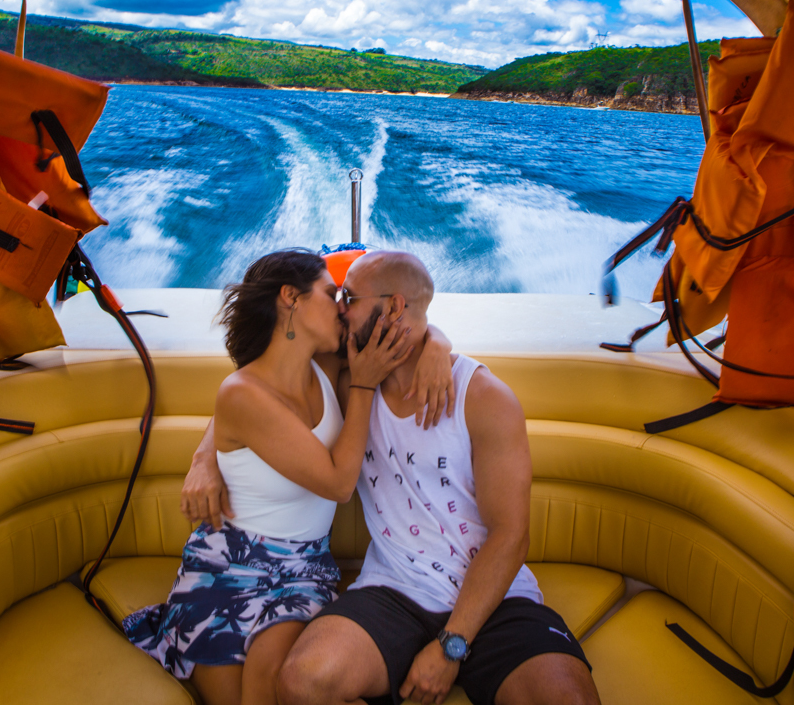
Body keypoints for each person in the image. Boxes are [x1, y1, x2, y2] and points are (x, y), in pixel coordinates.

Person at [184, 252, 601, 705]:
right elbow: (255, 389)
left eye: (349, 298)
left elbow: (511, 535)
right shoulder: (348, 378)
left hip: (495, 600)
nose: (341, 308)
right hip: (392, 592)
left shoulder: (483, 397)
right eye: (335, 296)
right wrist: (205, 456)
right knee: (300, 682)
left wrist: (450, 645)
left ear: (396, 308)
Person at [127, 249, 454, 705]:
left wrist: (438, 342)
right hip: (228, 565)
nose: (342, 306)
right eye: (330, 293)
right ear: (290, 299)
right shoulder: (246, 394)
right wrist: (361, 386)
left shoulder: (329, 365)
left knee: (274, 681)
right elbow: (338, 482)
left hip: (302, 570)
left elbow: (405, 315)